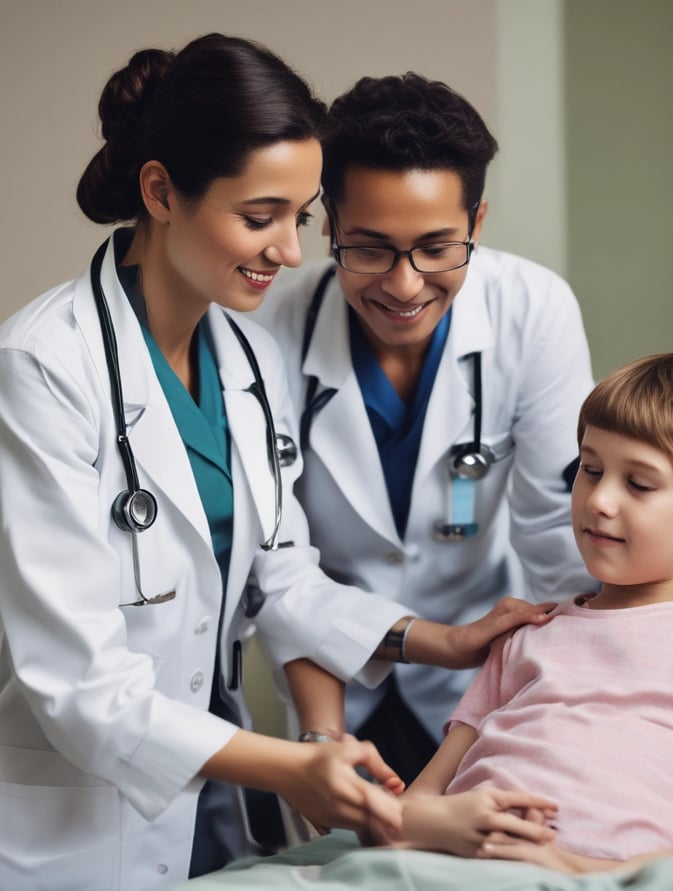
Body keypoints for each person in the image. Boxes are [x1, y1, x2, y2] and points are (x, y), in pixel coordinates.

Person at [0, 35, 550, 891]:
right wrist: (297, 766)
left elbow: (283, 579)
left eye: (299, 219)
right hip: (78, 823)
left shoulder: (247, 357)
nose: (291, 254)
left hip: (214, 806)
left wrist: (444, 640)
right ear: (160, 190)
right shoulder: (43, 366)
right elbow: (78, 686)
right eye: (260, 217)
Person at [255, 72, 596, 782]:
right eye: (370, 248)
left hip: (487, 677)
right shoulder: (265, 329)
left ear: (476, 224)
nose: (405, 286)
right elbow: (276, 564)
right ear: (328, 229)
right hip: (333, 676)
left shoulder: (533, 311)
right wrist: (322, 743)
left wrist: (579, 705)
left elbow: (561, 540)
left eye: (437, 247)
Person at [391, 353, 673, 873]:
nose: (600, 500)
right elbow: (414, 806)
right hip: (459, 865)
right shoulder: (530, 631)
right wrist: (446, 826)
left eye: (638, 484)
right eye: (590, 470)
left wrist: (575, 870)